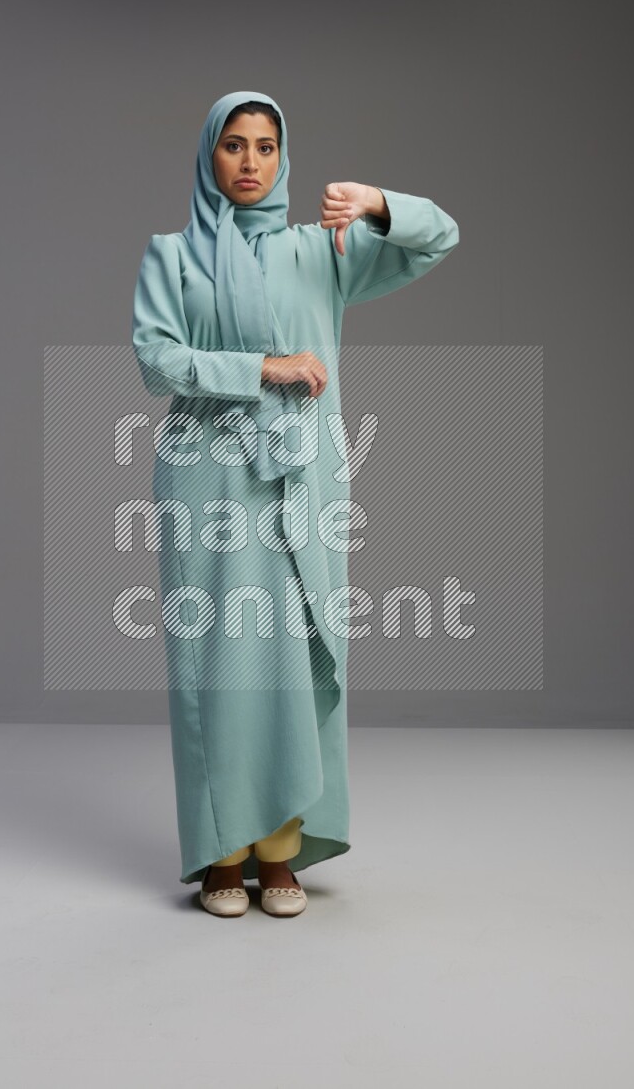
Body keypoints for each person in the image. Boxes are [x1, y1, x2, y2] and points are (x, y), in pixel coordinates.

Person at [131, 90, 459, 918]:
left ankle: (282, 847)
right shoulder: (172, 256)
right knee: (216, 668)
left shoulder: (323, 251)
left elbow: (439, 238)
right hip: (207, 478)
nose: (250, 161)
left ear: (284, 157)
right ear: (209, 155)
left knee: (295, 656)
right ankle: (220, 851)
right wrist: (265, 369)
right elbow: (158, 359)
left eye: (266, 146)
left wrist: (380, 204)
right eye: (234, 145)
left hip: (304, 481)